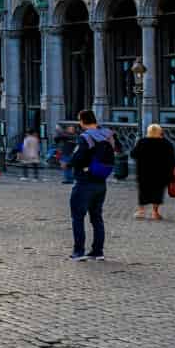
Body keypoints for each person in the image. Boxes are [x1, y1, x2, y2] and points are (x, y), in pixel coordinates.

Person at [66, 111, 114, 261]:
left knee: (78, 217)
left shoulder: (85, 137)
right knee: (97, 217)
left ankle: (79, 251)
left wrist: (71, 162)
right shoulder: (107, 134)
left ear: (82, 121)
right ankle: (98, 251)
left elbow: (77, 158)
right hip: (101, 181)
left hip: (84, 181)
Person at [130, 124, 175, 220]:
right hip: (160, 173)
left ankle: (141, 211)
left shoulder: (142, 142)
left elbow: (133, 154)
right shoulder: (166, 143)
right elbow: (172, 160)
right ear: (160, 132)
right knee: (158, 192)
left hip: (144, 172)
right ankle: (155, 212)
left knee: (143, 191)